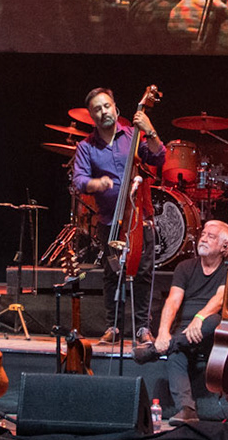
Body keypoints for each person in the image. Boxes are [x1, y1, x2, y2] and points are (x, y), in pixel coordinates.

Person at [69, 86, 166, 343]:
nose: (103, 112)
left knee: (143, 273)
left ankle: (143, 327)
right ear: (91, 116)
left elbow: (158, 157)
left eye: (106, 106)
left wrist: (150, 130)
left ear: (115, 107)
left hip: (139, 218)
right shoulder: (86, 147)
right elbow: (79, 180)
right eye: (97, 109)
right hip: (110, 221)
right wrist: (96, 183)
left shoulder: (132, 136)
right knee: (112, 274)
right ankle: (113, 327)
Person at [137, 219, 228, 420]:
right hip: (184, 331)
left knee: (214, 320)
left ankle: (155, 350)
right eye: (203, 234)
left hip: (210, 332)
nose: (203, 239)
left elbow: (220, 299)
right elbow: (173, 301)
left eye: (211, 236)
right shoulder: (185, 267)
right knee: (176, 353)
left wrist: (199, 318)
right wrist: (163, 333)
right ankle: (187, 409)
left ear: (224, 247)